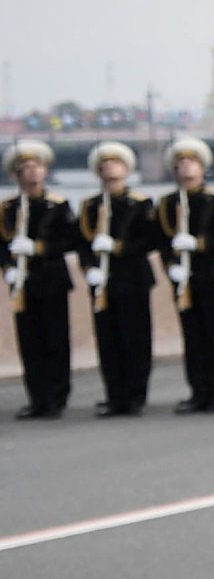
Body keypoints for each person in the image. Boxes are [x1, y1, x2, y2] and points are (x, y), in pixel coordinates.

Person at [153, 137, 214, 414]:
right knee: (192, 337)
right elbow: (160, 240)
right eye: (180, 164)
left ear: (202, 167)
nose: (186, 168)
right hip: (184, 279)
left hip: (211, 275)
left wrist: (202, 244)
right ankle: (198, 390)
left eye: (191, 162)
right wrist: (171, 267)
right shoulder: (168, 203)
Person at [75, 140, 157, 417]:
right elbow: (81, 243)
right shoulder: (89, 206)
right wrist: (89, 269)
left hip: (132, 278)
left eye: (116, 163)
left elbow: (149, 239)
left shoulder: (139, 203)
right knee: (108, 341)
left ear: (126, 169)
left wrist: (119, 247)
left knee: (135, 338)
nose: (110, 167)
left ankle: (135, 395)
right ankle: (114, 395)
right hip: (103, 282)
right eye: (105, 164)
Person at [7, 136, 79, 419]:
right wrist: (8, 268)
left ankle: (57, 396)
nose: (33, 171)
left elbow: (69, 240)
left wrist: (39, 248)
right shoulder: (8, 209)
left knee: (55, 340)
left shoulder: (57, 205)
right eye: (26, 167)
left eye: (37, 166)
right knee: (30, 342)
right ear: (16, 173)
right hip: (23, 283)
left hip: (52, 280)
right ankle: (37, 397)